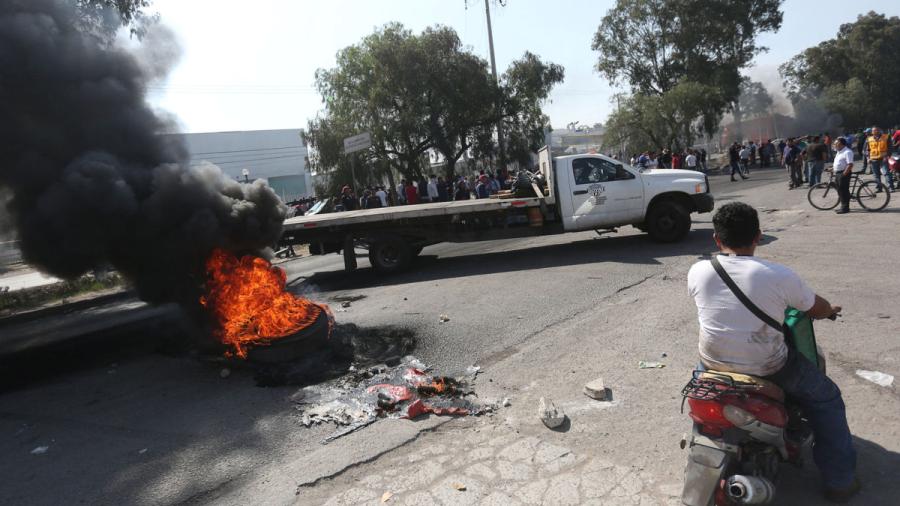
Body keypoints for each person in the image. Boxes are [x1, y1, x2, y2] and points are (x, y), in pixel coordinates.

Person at [687, 202, 859, 503]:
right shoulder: (779, 275)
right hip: (769, 368)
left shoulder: (699, 270)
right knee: (828, 400)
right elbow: (815, 307)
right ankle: (840, 481)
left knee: (701, 395)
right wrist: (829, 310)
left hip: (713, 364)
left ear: (717, 239)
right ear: (758, 237)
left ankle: (706, 435)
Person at [867, 127, 893, 192]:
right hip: (873, 159)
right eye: (873, 130)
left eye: (876, 130)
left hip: (883, 158)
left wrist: (887, 156)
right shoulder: (869, 139)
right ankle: (879, 188)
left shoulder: (886, 137)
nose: (875, 131)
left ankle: (890, 187)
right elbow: (867, 150)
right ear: (872, 132)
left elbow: (890, 147)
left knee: (886, 173)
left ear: (879, 130)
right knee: (876, 175)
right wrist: (868, 158)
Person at [833, 137, 854, 214]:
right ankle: (843, 206)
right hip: (838, 173)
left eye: (836, 143)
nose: (834, 145)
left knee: (843, 191)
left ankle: (845, 208)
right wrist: (832, 168)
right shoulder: (839, 152)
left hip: (844, 173)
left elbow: (850, 164)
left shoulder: (847, 152)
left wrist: (844, 174)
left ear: (841, 144)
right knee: (840, 191)